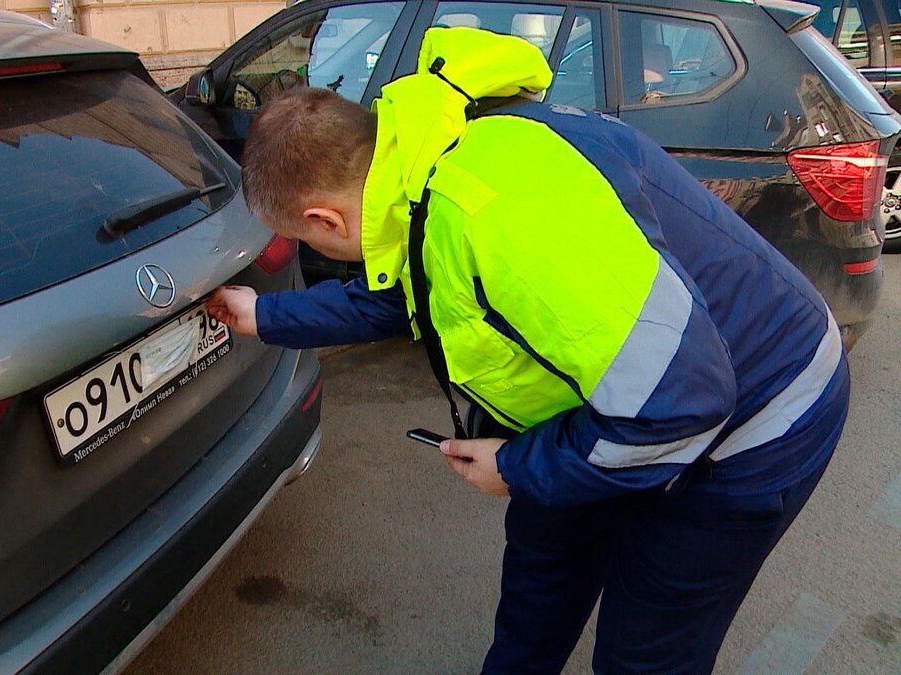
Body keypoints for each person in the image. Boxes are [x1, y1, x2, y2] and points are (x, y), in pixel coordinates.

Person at [207, 26, 849, 674]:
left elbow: (682, 407)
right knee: (543, 569)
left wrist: (514, 465)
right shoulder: (422, 164)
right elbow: (409, 291)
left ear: (323, 222)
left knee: (644, 651)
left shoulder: (501, 212)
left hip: (758, 415)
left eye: (312, 241)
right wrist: (263, 313)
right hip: (618, 395)